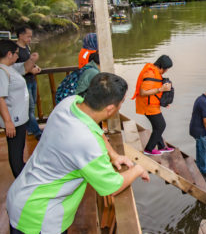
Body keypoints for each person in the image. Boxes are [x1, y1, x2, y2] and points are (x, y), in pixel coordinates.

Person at [7, 72, 150, 234]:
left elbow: (95, 129)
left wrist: (114, 155)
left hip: (22, 193)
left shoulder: (70, 103)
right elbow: (112, 187)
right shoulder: (87, 143)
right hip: (39, 216)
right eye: (122, 102)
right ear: (110, 109)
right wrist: (138, 169)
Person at [0, 40, 39, 178]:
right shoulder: (2, 72)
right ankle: (20, 179)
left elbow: (25, 67)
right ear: (9, 54)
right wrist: (8, 122)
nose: (18, 56)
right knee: (15, 152)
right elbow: (0, 98)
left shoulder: (9, 68)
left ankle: (22, 173)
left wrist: (32, 59)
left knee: (19, 149)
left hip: (20, 118)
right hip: (14, 119)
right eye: (16, 54)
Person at [132, 55, 174, 155]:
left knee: (157, 126)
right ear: (161, 66)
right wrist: (161, 89)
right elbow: (143, 92)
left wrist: (163, 102)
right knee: (161, 125)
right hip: (147, 105)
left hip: (153, 104)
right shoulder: (150, 74)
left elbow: (155, 88)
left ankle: (161, 146)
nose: (166, 71)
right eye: (166, 69)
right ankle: (149, 149)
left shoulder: (154, 72)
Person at [15, 26, 43, 140]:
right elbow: (16, 68)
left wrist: (36, 67)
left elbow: (29, 63)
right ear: (20, 35)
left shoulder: (27, 47)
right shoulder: (15, 50)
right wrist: (30, 69)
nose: (30, 39)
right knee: (29, 107)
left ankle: (30, 128)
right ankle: (37, 132)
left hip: (32, 80)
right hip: (23, 83)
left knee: (32, 106)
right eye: (28, 36)